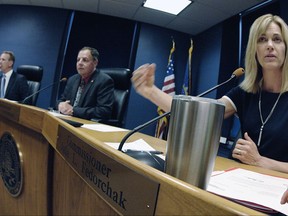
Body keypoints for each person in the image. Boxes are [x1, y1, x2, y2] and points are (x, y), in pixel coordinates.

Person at [131, 14, 288, 173]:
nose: (269, 45)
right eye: (261, 39)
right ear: (255, 50)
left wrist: (260, 161)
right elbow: (197, 112)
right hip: (242, 178)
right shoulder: (246, 92)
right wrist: (150, 91)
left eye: (277, 39)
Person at [57, 46, 114, 120]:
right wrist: (60, 104)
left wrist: (74, 110)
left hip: (87, 124)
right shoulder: (72, 79)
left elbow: (104, 111)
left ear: (95, 63)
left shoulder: (104, 81)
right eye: (78, 60)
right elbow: (62, 100)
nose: (80, 63)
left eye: (85, 60)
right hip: (68, 120)